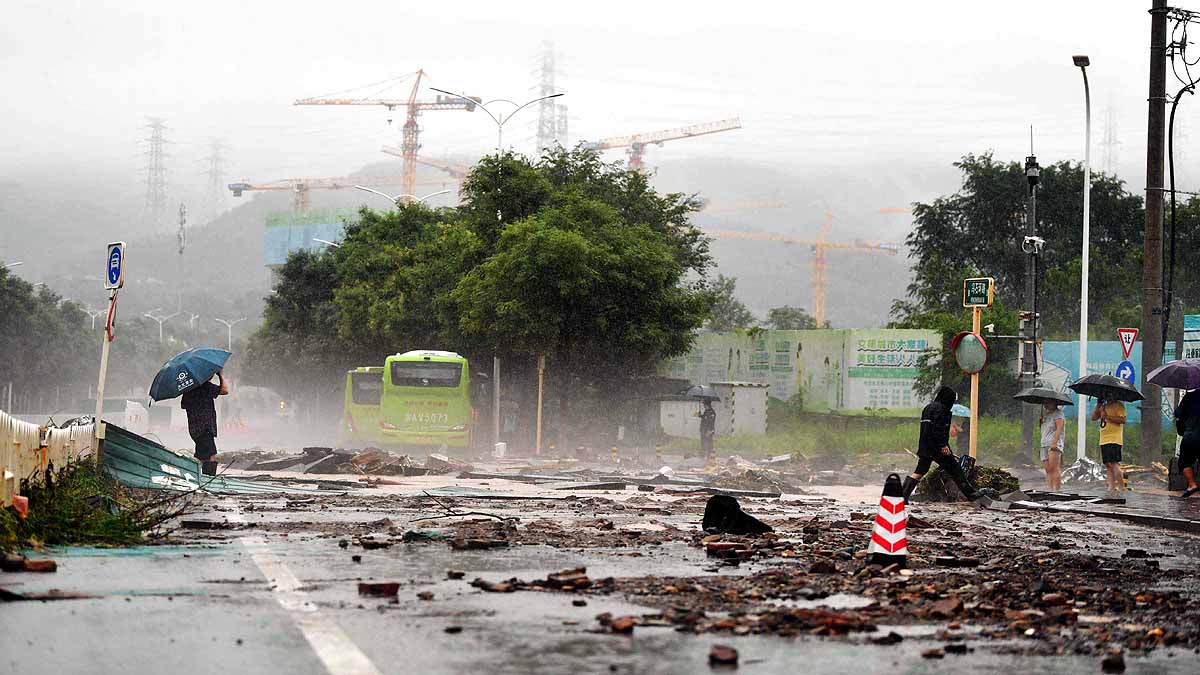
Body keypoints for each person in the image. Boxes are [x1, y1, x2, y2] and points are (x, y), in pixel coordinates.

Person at [901, 386, 987, 503]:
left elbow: (928, 429)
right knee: (955, 470)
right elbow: (938, 429)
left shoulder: (928, 408)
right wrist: (943, 445)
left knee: (919, 471)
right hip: (938, 448)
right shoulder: (942, 410)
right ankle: (971, 494)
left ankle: (902, 497)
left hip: (926, 446)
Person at [181, 370, 229, 476]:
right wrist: (221, 375)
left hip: (194, 429)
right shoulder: (206, 387)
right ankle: (208, 479)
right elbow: (225, 390)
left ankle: (195, 476)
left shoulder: (188, 389)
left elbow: (184, 405)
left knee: (200, 455)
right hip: (205, 428)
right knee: (211, 455)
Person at [1092, 394, 1126, 492]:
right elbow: (1094, 418)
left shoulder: (1119, 405)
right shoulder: (1104, 406)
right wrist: (1098, 405)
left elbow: (1123, 420)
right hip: (1104, 439)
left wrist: (1108, 417)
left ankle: (1121, 486)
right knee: (1107, 464)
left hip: (1114, 439)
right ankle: (1111, 487)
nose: (1108, 397)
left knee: (1114, 463)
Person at [1173, 389, 1200, 498]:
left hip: (1191, 436)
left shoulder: (1190, 396)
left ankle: (1192, 484)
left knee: (1185, 461)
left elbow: (1177, 413)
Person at [1039, 400, 1065, 491]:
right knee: (1048, 469)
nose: (1046, 404)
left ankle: (1056, 490)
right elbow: (1044, 430)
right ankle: (1050, 489)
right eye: (1045, 402)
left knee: (1054, 468)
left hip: (1053, 443)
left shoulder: (1059, 414)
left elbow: (1059, 429)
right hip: (1044, 444)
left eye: (1049, 402)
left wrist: (1054, 442)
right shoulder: (1045, 415)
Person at [699, 400, 716, 464]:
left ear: (707, 405)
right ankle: (703, 457)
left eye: (705, 405)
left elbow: (711, 423)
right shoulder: (706, 411)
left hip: (708, 431)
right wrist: (700, 415)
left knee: (709, 444)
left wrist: (709, 431)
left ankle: (709, 458)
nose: (704, 406)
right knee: (703, 444)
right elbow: (704, 418)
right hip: (703, 430)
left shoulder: (712, 412)